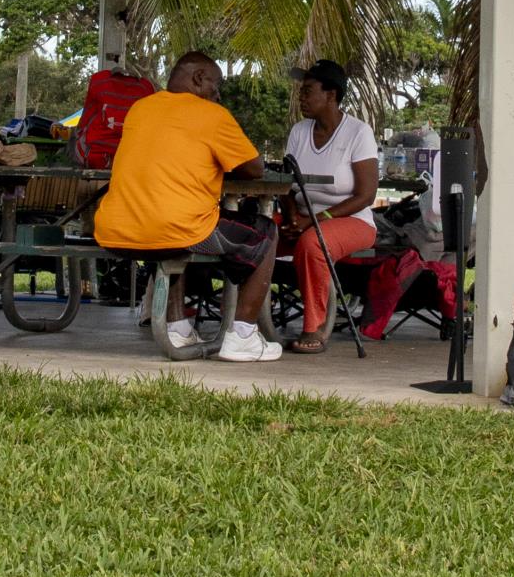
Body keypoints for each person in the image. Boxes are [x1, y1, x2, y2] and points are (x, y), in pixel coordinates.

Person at [95, 50, 280, 363]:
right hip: (176, 228)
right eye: (215, 86)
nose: (217, 94)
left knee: (170, 234)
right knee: (265, 232)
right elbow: (254, 168)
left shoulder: (140, 108)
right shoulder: (212, 115)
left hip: (116, 230)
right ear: (198, 79)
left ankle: (179, 328)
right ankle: (244, 336)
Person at [279, 59, 379, 353]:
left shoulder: (358, 133)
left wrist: (315, 220)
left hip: (353, 220)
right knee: (258, 235)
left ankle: (315, 327)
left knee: (313, 243)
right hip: (302, 215)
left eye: (308, 91)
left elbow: (366, 195)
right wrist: (291, 216)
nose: (302, 97)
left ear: (331, 95)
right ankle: (245, 323)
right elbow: (285, 181)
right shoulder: (299, 131)